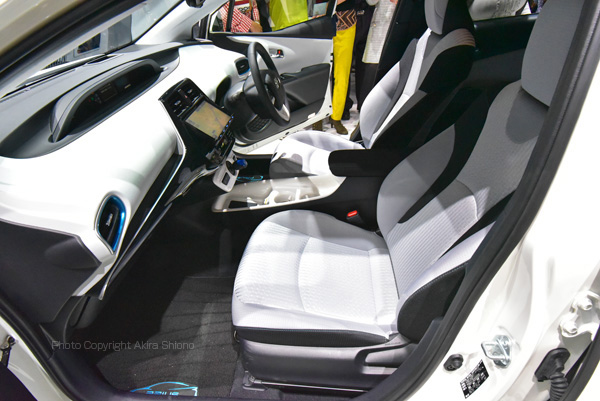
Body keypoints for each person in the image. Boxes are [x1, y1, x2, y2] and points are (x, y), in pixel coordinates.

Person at [330, 0, 357, 134]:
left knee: (342, 73)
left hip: (346, 21)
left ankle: (336, 117)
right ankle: (316, 118)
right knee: (319, 71)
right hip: (321, 20)